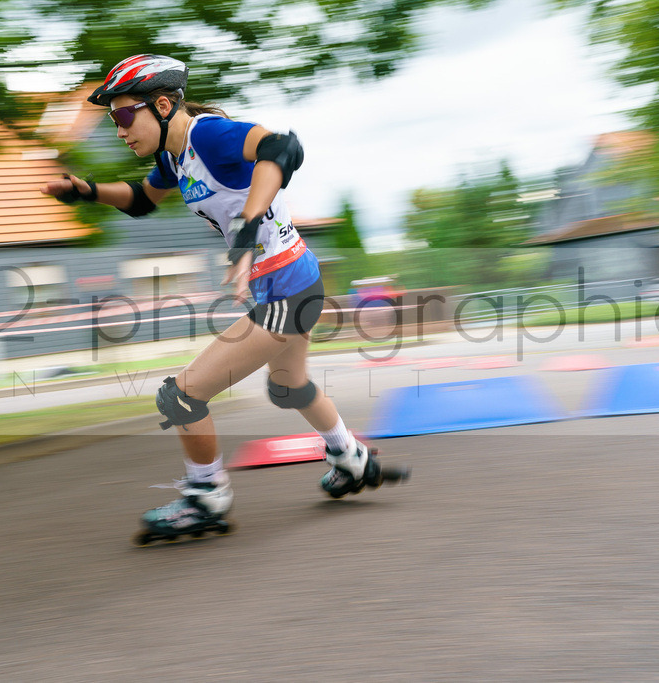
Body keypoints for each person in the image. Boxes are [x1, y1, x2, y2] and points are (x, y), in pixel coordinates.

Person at [42, 54, 401, 538]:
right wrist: (87, 191)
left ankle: (206, 497)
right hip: (291, 282)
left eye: (125, 115)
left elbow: (282, 148)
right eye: (113, 120)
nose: (120, 129)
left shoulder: (207, 135)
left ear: (163, 104)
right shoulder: (173, 156)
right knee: (289, 387)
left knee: (182, 396)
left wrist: (249, 227)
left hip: (288, 288)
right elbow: (142, 200)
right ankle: (352, 460)